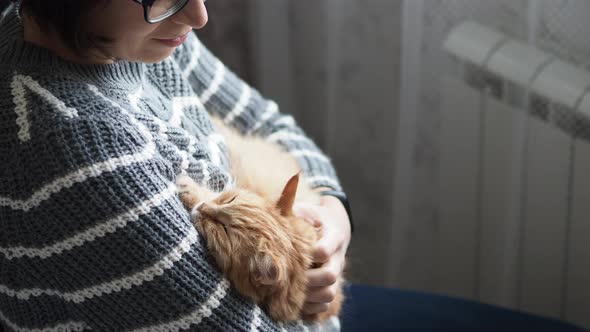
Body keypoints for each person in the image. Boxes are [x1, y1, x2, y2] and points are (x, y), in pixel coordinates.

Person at [0, 0, 352, 330]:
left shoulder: (144, 38)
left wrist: (333, 213)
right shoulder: (77, 148)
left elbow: (270, 125)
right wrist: (306, 299)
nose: (199, 17)